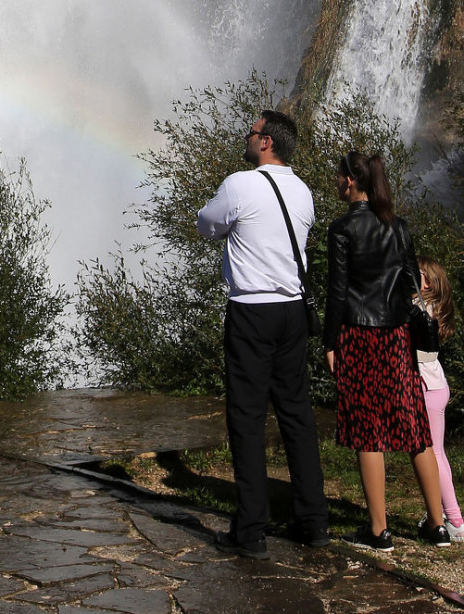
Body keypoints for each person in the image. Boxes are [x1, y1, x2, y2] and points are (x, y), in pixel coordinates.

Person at [196, 109, 330, 557]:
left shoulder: (240, 183)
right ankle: (313, 522)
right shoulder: (304, 193)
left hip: (251, 311)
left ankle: (251, 530)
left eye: (251, 132)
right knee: (297, 414)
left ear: (266, 142)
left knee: (247, 418)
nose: (247, 137)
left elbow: (206, 225)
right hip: (292, 311)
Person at [324, 150, 448, 549]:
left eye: (337, 176)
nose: (335, 182)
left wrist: (329, 342)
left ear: (349, 181)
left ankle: (379, 531)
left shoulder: (342, 229)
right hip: (396, 337)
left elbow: (338, 293)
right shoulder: (400, 227)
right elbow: (415, 285)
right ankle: (437, 524)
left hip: (359, 336)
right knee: (415, 430)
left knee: (368, 431)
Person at [412, 259, 464, 541]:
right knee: (437, 452)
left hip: (427, 387)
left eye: (414, 273)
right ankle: (447, 514)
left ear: (428, 282)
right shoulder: (430, 307)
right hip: (436, 385)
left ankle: (453, 518)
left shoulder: (422, 307)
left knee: (432, 453)